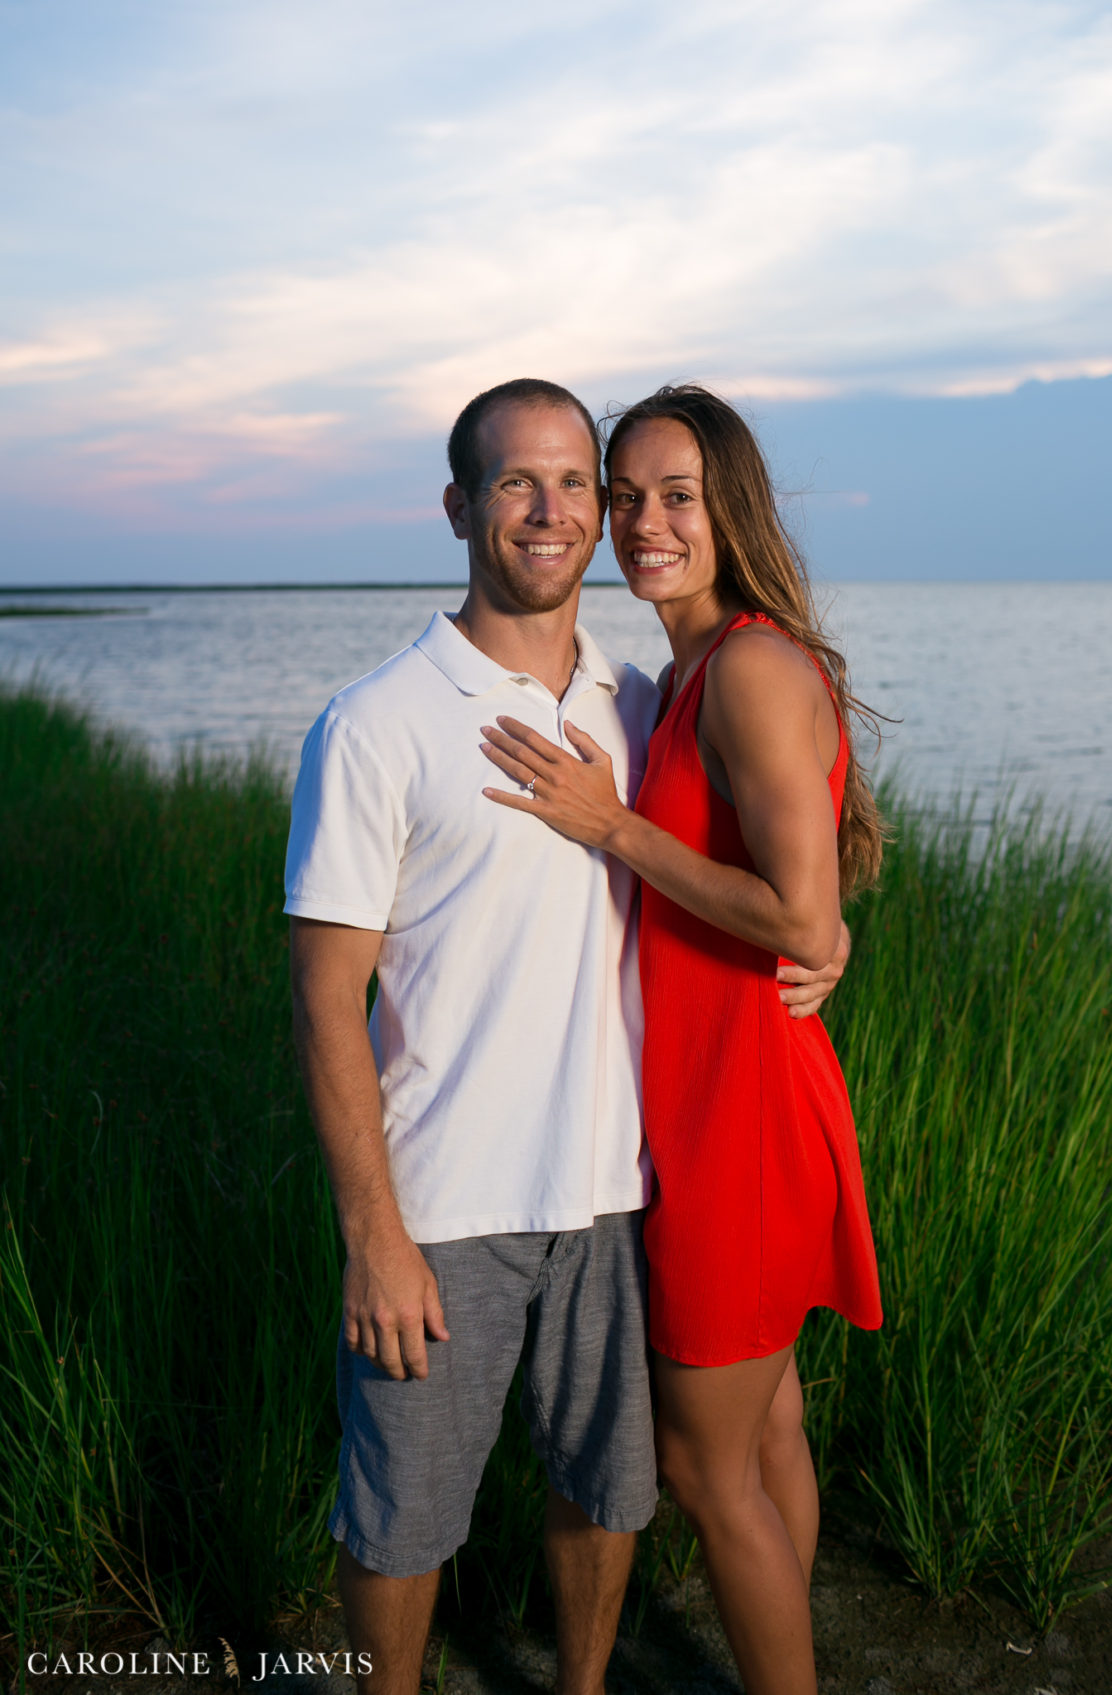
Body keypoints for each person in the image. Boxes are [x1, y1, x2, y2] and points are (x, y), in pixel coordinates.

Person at [285, 378, 847, 1695]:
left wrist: (817, 941)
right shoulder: (375, 723)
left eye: (575, 485)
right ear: (460, 507)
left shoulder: (639, 694)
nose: (556, 511)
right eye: (516, 483)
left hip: (622, 1186)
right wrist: (371, 1235)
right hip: (442, 1203)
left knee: (612, 1492)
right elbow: (322, 998)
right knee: (404, 1514)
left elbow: (764, 863)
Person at [481, 384, 883, 1695]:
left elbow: (794, 907)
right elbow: (808, 905)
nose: (646, 522)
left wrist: (614, 829)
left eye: (679, 497)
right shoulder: (688, 671)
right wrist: (815, 941)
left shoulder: (752, 666)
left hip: (741, 1120)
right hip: (727, 1100)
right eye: (628, 492)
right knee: (764, 1435)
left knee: (708, 1472)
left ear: (732, 512)